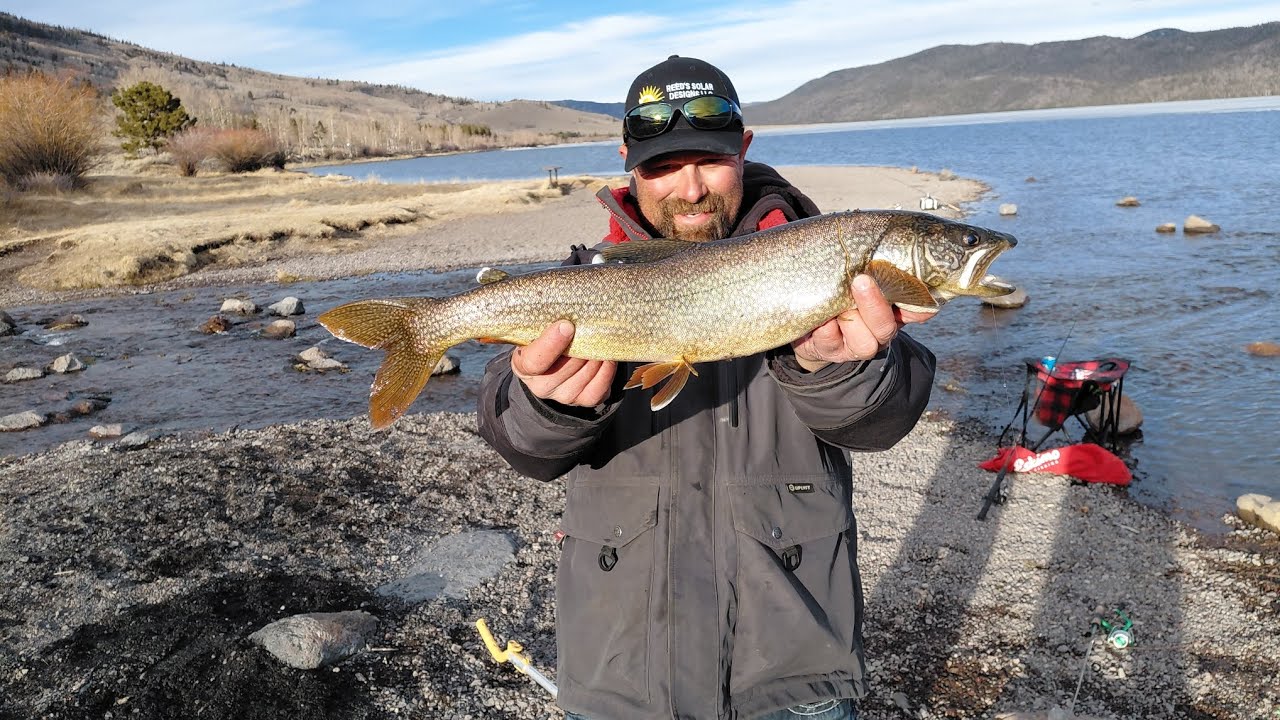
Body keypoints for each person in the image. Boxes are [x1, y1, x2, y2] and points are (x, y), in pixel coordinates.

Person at [477, 55, 937, 720]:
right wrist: (547, 404)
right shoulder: (580, 284)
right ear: (628, 165)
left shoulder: (826, 269)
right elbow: (520, 442)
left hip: (794, 677)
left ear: (744, 150)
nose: (689, 189)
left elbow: (886, 420)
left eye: (708, 162)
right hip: (621, 680)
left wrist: (835, 369)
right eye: (662, 166)